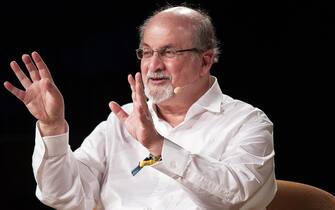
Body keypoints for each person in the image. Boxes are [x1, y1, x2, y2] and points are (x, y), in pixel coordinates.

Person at [4, 5, 276, 210]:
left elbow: (240, 195)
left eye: (169, 53)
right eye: (146, 52)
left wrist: (157, 145)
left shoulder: (247, 122)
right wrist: (52, 128)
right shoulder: (120, 121)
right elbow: (63, 195)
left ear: (205, 62)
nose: (153, 65)